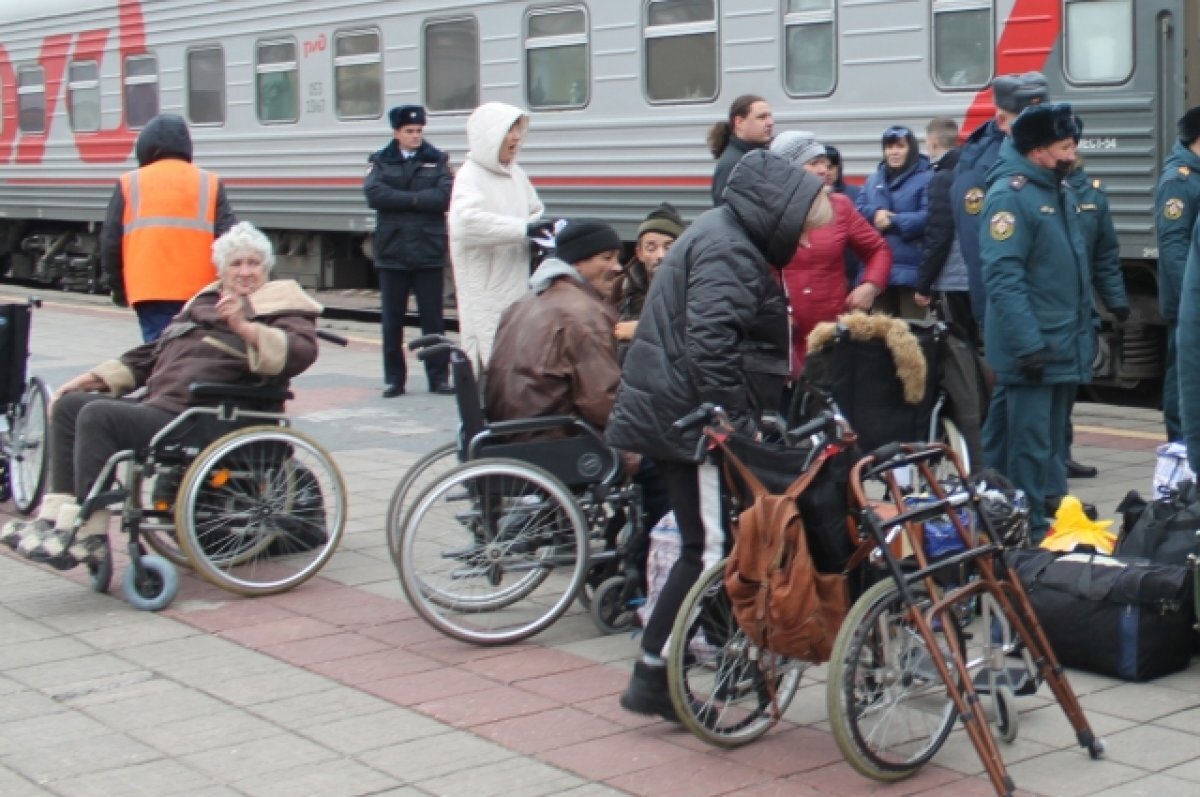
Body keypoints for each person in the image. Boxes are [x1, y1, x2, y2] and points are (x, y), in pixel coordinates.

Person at [606, 150, 832, 721]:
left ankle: (667, 667)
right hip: (691, 424)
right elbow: (710, 343)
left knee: (705, 543)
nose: (806, 244)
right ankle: (654, 675)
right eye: (804, 232)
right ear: (781, 215)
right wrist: (733, 422)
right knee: (706, 548)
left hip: (677, 412)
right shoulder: (732, 248)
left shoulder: (724, 233)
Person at [1, 222, 321, 570]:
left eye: (254, 263)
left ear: (266, 267)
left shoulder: (281, 304)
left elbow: (300, 351)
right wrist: (93, 378)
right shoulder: (205, 302)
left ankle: (91, 533)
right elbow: (154, 352)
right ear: (222, 270)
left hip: (211, 417)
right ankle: (57, 519)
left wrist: (243, 327)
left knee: (98, 416)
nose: (245, 272)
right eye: (236, 264)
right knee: (70, 406)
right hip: (168, 409)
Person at [979, 103, 1091, 544]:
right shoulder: (1011, 195)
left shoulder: (1056, 189)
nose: (1073, 154)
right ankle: (1028, 529)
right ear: (1038, 150)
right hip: (1034, 349)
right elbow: (1003, 276)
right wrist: (1028, 345)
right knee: (1028, 445)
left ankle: (1050, 512)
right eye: (1065, 147)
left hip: (1062, 342)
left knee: (1050, 445)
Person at [100, 113, 237, 343]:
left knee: (159, 354)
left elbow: (111, 242)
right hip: (201, 293)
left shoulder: (129, 183)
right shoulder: (209, 182)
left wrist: (118, 288)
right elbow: (230, 240)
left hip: (149, 292)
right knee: (196, 353)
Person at [770, 131, 891, 376]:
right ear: (788, 169)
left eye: (825, 162)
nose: (824, 169)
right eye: (814, 163)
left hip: (831, 332)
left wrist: (871, 286)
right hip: (783, 335)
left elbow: (878, 249)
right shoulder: (766, 211)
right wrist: (771, 312)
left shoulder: (840, 206)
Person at [485, 219, 624, 429]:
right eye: (607, 258)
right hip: (557, 439)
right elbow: (602, 402)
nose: (617, 267)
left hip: (509, 432)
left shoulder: (523, 302)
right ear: (577, 262)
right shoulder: (584, 314)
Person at [364, 105, 454, 398]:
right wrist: (418, 199)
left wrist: (402, 199)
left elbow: (445, 196)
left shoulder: (437, 159)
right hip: (393, 251)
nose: (416, 136)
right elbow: (374, 195)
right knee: (392, 321)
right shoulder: (380, 160)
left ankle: (438, 378)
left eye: (419, 131)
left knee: (433, 320)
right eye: (409, 131)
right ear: (396, 133)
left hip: (428, 250)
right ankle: (394, 380)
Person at [448, 102, 548, 368]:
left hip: (517, 280)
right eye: (509, 130)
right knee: (488, 353)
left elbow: (535, 210)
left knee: (514, 354)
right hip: (485, 287)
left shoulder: (517, 175)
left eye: (518, 130)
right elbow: (465, 224)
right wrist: (522, 229)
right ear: (489, 136)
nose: (516, 137)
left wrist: (543, 230)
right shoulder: (470, 177)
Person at [951, 71, 1049, 326]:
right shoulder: (979, 170)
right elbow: (981, 256)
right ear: (1002, 121)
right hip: (1013, 316)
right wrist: (996, 323)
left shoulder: (1047, 158)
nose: (1041, 128)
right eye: (1029, 120)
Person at [1054, 147, 1129, 485]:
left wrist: (1116, 301)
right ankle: (1048, 459)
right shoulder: (1045, 192)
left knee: (1070, 384)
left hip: (1080, 307)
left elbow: (1105, 256)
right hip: (1053, 305)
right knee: (1050, 388)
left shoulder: (1093, 196)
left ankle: (1062, 454)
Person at [1154, 106, 1200, 442]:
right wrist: (1191, 298)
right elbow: (1174, 247)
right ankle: (1180, 443)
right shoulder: (1178, 181)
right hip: (1187, 300)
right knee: (1181, 375)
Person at [854, 125, 932, 318]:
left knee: (912, 335)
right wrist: (876, 213)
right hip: (877, 272)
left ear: (911, 149)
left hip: (910, 273)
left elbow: (928, 217)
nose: (894, 152)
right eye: (889, 147)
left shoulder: (927, 178)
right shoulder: (873, 179)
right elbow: (857, 211)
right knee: (879, 336)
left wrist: (893, 221)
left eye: (900, 146)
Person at [915, 117, 978, 343]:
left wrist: (923, 283)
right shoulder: (971, 171)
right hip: (975, 274)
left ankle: (967, 379)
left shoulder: (943, 177)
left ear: (932, 141)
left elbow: (939, 235)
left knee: (958, 345)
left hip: (953, 278)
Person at [614, 202, 686, 354]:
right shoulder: (621, 287)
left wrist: (641, 330)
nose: (661, 255)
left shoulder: (695, 286)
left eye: (669, 247)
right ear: (639, 253)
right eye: (651, 247)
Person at [707, 95, 773, 205]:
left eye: (770, 116)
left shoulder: (759, 156)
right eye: (762, 117)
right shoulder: (732, 165)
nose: (770, 123)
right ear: (739, 122)